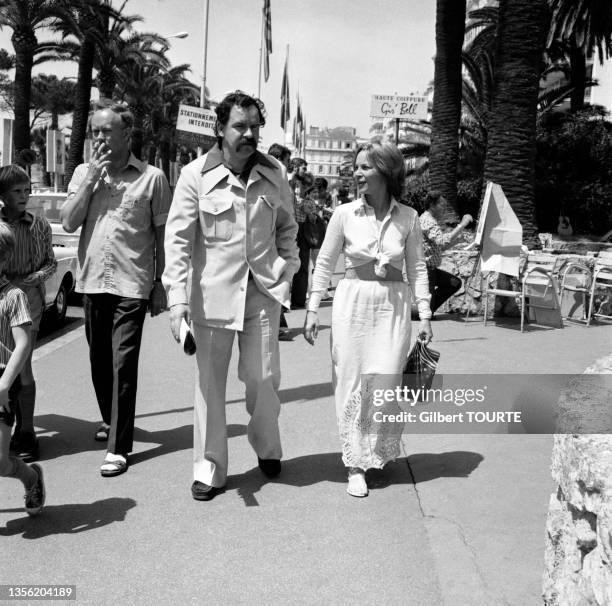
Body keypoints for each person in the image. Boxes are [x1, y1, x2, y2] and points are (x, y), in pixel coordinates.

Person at [163, 91, 299, 502]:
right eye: (240, 126)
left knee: (263, 378)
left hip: (262, 294)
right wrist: (177, 300)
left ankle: (267, 447)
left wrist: (287, 270)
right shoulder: (195, 176)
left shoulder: (274, 173)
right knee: (210, 386)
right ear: (220, 129)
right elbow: (178, 240)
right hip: (212, 297)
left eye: (255, 126)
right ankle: (210, 469)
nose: (249, 134)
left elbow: (288, 229)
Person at [303, 140, 432, 498]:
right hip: (352, 305)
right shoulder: (343, 214)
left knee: (386, 382)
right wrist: (313, 308)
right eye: (355, 166)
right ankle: (355, 464)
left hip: (392, 307)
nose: (356, 173)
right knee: (352, 382)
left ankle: (375, 453)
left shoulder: (408, 218)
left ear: (386, 172)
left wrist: (425, 314)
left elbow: (417, 267)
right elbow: (325, 264)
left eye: (365, 167)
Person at [61, 100, 171, 477]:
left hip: (132, 284)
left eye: (106, 131)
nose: (99, 138)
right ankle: (112, 420)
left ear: (127, 134)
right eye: (94, 131)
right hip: (92, 282)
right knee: (98, 362)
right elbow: (69, 221)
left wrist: (161, 284)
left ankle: (118, 448)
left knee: (123, 364)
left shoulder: (153, 178)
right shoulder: (82, 173)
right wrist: (91, 179)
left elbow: (162, 238)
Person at [0, 165, 57, 463]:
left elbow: (50, 264)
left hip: (27, 302)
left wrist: (27, 281)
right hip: (0, 300)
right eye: (16, 191)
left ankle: (27, 430)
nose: (24, 196)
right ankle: (6, 431)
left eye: (26, 190)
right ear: (3, 195)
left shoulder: (38, 225)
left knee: (22, 366)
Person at [0, 223, 45, 516]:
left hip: (4, 380)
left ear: (3, 260)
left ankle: (31, 478)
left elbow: (23, 345)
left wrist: (4, 384)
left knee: (0, 463)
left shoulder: (13, 296)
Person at [419, 190, 472, 317]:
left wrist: (457, 240)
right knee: (423, 314)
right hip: (426, 271)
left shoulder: (429, 220)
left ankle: (428, 310)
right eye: (442, 205)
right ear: (432, 205)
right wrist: (462, 224)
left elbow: (437, 247)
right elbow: (441, 241)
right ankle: (423, 312)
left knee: (454, 283)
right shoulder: (428, 221)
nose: (444, 209)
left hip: (431, 270)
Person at [267, 143, 292, 341]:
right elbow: (287, 213)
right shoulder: (279, 170)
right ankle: (276, 324)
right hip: (275, 237)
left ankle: (278, 323)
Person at [289, 159, 317, 308]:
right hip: (291, 227)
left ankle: (298, 299)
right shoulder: (289, 183)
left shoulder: (307, 198)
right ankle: (288, 300)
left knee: (302, 264)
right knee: (290, 263)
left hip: (301, 228)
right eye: (303, 168)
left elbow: (311, 214)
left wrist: (308, 209)